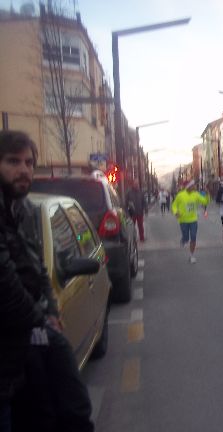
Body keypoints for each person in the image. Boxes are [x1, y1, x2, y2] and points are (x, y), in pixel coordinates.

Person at [0, 130, 94, 432]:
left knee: (69, 406)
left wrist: (51, 311)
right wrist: (41, 320)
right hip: (9, 349)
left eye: (29, 163)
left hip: (23, 342)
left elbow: (36, 266)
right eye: (13, 161)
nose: (24, 170)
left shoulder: (20, 208)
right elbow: (5, 285)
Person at [172, 180, 210, 264]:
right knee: (186, 238)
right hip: (183, 220)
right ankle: (183, 240)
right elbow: (174, 205)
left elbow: (205, 201)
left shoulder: (196, 194)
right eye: (193, 185)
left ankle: (192, 255)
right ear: (188, 186)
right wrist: (176, 212)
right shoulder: (180, 195)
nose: (194, 187)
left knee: (193, 237)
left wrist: (207, 194)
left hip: (193, 220)